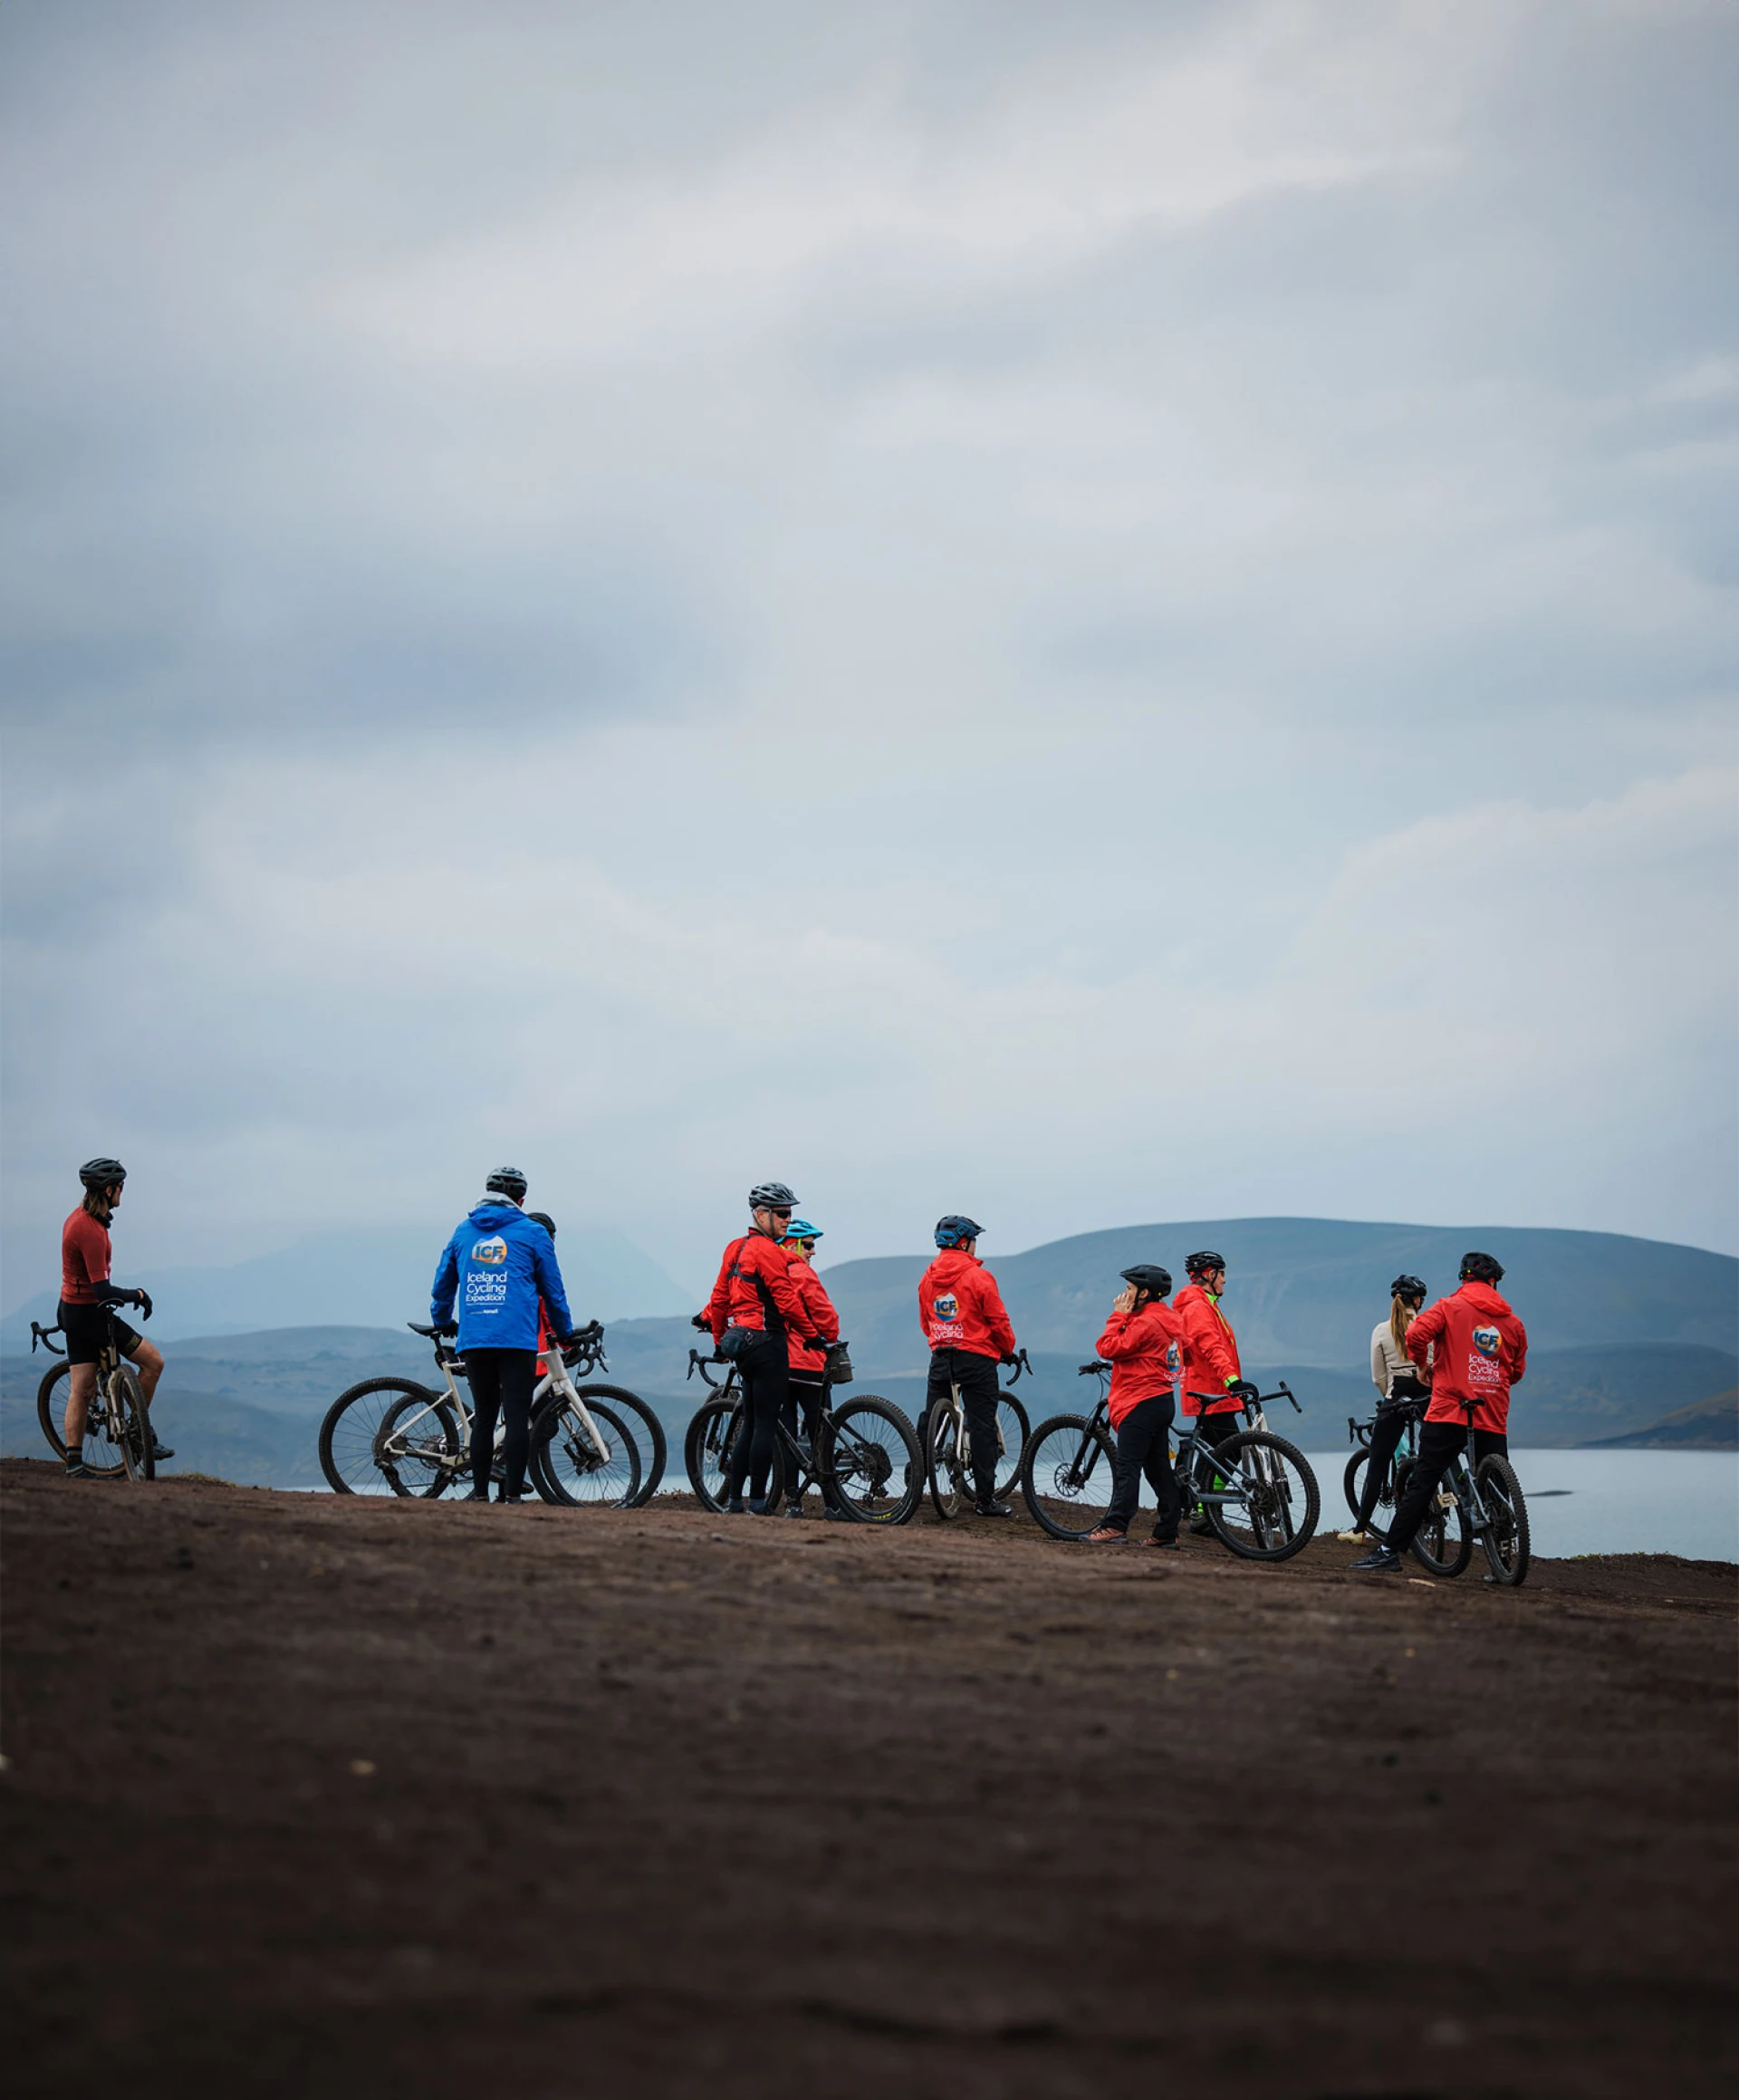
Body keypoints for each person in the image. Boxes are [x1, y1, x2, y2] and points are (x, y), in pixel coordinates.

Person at [1350, 1253, 1528, 1574]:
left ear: (1464, 1279)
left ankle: (1390, 1551)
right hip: (1492, 1411)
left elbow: (1415, 1336)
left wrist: (1423, 1368)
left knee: (1424, 1478)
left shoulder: (1448, 1307)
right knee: (1496, 1484)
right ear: (1493, 1282)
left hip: (1450, 1408)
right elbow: (1517, 1371)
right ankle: (1503, 1559)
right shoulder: (1512, 1322)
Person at [430, 1169, 577, 1505]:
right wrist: (565, 1331)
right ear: (521, 1200)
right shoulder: (534, 1233)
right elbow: (554, 1291)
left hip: (476, 1338)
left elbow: (443, 1283)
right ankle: (512, 1496)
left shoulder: (463, 1232)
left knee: (484, 1417)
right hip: (517, 1340)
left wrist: (441, 1319)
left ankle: (480, 1495)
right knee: (515, 1416)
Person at [697, 1183, 827, 1514]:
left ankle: (736, 1503)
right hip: (769, 1343)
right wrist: (811, 1336)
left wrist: (718, 1342)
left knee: (750, 1423)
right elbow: (786, 1302)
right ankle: (758, 1502)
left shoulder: (733, 1248)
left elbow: (719, 1299)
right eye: (782, 1213)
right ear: (760, 1214)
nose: (787, 1219)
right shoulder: (768, 1251)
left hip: (743, 1345)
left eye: (789, 1213)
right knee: (765, 1426)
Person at [58, 1157, 172, 1478]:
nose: (123, 1192)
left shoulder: (78, 1219)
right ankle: (140, 1435)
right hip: (91, 1314)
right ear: (109, 1190)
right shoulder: (90, 1229)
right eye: (121, 1187)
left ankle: (74, 1463)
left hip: (72, 1310)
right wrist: (137, 1295)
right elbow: (104, 1290)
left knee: (81, 1388)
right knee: (153, 1362)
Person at [917, 1215, 1018, 1518]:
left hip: (941, 1357)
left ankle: (915, 1481)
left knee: (930, 1420)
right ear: (965, 1242)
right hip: (977, 1358)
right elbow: (998, 1321)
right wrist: (1008, 1349)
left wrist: (943, 1338)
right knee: (983, 1426)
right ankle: (985, 1501)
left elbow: (926, 1322)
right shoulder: (979, 1277)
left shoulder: (927, 1278)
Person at [1085, 1265, 1185, 1547]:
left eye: (1130, 1289)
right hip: (1162, 1399)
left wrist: (1118, 1315)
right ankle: (1167, 1532)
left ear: (1145, 1293)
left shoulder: (1145, 1323)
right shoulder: (1169, 1319)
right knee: (1158, 1469)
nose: (1124, 1294)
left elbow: (1107, 1347)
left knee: (1127, 1467)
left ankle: (1115, 1526)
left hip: (1138, 1400)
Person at [1339, 1274, 1432, 1543]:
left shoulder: (1381, 1330)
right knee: (1440, 1451)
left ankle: (1359, 1531)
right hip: (1428, 1397)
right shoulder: (1427, 1326)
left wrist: (1390, 1398)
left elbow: (1378, 1378)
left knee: (1377, 1464)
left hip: (1397, 1398)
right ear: (1417, 1301)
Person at [1171, 1249, 1259, 1531]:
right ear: (1209, 1275)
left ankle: (1203, 1510)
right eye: (1222, 1275)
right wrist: (1232, 1380)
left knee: (1216, 1452)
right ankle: (1204, 1511)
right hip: (1210, 1393)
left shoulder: (1206, 1303)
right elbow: (1211, 1347)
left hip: (1216, 1392)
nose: (1224, 1281)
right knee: (1229, 1452)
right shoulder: (1198, 1307)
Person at [780, 1218, 841, 1519]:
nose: (813, 1252)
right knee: (822, 1435)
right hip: (809, 1365)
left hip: (780, 1366)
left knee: (787, 1435)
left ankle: (793, 1502)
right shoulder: (802, 1273)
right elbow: (828, 1319)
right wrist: (827, 1339)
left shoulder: (772, 1275)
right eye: (810, 1245)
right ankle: (832, 1503)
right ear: (793, 1244)